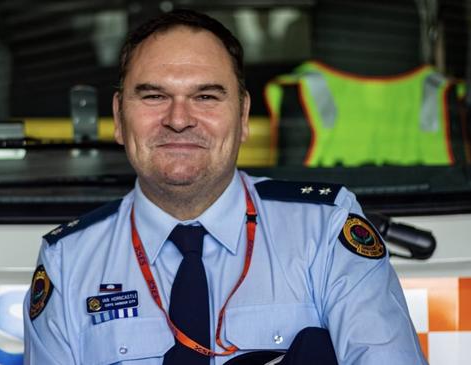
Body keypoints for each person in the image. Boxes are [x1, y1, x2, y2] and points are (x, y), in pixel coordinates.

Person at [23, 9, 427, 365]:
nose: (178, 119)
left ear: (244, 114)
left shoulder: (324, 233)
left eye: (206, 96)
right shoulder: (68, 261)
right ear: (118, 116)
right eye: (154, 96)